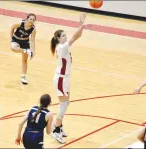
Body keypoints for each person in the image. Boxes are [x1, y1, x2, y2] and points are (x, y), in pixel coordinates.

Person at [50, 13, 86, 143]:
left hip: (65, 79)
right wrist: (81, 23)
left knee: (66, 104)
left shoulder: (63, 46)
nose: (66, 36)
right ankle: (55, 130)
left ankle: (59, 126)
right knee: (63, 104)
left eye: (66, 34)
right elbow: (76, 36)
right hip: (60, 79)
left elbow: (78, 35)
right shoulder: (62, 47)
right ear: (58, 38)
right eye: (63, 35)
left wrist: (80, 25)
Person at [10, 13, 36, 84]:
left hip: (25, 42)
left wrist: (33, 51)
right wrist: (10, 38)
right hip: (16, 39)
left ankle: (23, 77)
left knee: (24, 60)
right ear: (27, 19)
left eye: (33, 20)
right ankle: (25, 51)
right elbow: (12, 27)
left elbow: (33, 40)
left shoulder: (33, 29)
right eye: (31, 19)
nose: (32, 20)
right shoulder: (20, 23)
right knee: (13, 48)